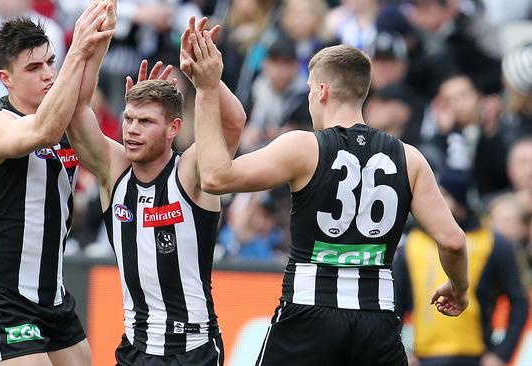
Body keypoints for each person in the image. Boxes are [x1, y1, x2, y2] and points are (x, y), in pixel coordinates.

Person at [189, 35, 469, 365]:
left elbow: (214, 177)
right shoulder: (409, 158)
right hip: (376, 321)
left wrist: (207, 90)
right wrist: (458, 287)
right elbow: (452, 241)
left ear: (321, 91)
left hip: (308, 313)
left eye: (310, 89)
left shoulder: (305, 148)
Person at [66, 16, 246, 365]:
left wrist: (206, 79)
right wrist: (95, 48)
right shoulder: (114, 170)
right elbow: (75, 115)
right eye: (128, 118)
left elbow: (232, 122)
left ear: (173, 128)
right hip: (135, 348)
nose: (131, 130)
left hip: (192, 351)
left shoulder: (191, 171)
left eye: (146, 122)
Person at [0, 2, 115, 365]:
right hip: (1, 296)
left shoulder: (66, 114)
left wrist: (101, 34)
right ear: (6, 78)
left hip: (53, 299)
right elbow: (43, 130)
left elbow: (84, 87)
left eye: (50, 62)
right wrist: (76, 49)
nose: (48, 74)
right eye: (33, 68)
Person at [394, 172, 529, 366]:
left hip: (476, 355)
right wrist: (402, 350)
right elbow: (395, 300)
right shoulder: (413, 242)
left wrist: (501, 354)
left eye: (443, 195)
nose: (433, 202)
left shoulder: (492, 242)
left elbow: (519, 300)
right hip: (424, 356)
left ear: (460, 201)